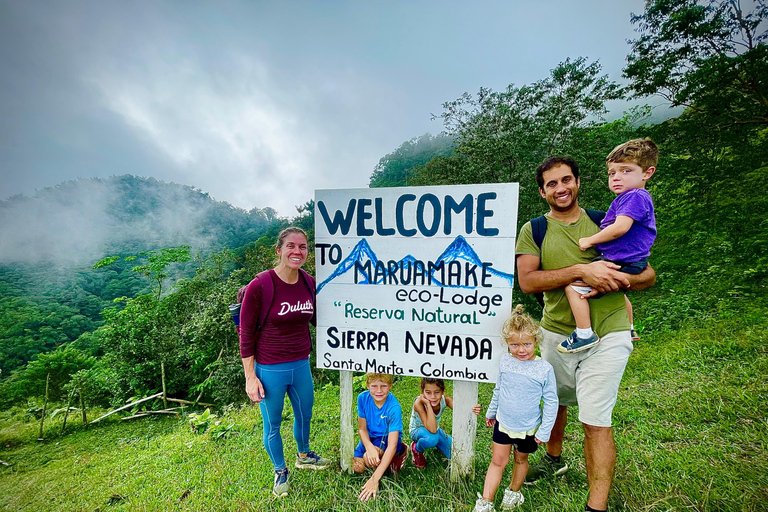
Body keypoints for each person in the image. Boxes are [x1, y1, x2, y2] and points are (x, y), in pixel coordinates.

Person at [515, 156, 656, 512]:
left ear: (578, 181)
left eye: (566, 180)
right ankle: (553, 459)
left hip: (608, 333)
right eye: (552, 184)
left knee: (595, 421)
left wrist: (614, 281)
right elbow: (528, 281)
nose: (560, 188)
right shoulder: (535, 230)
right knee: (556, 400)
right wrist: (580, 270)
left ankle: (597, 506)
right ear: (542, 191)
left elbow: (647, 275)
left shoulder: (604, 220)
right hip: (555, 333)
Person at [239, 227, 330, 498]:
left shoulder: (308, 283)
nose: (297, 252)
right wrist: (250, 377)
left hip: (301, 363)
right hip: (269, 368)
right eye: (291, 246)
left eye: (303, 247)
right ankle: (280, 470)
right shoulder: (261, 285)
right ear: (279, 250)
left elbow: (319, 320)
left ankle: (304, 455)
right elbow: (245, 334)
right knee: (273, 423)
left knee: (305, 415)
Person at [560, 138, 658, 353]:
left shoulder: (634, 196)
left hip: (620, 260)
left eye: (626, 171)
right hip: (630, 260)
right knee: (616, 291)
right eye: (612, 173)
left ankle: (584, 333)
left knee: (573, 288)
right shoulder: (633, 197)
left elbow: (620, 227)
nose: (616, 178)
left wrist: (590, 240)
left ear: (647, 173)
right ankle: (630, 328)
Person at [471, 305, 558, 512]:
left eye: (526, 344)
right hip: (503, 423)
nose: (521, 350)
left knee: (521, 460)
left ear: (535, 341)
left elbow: (552, 401)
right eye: (515, 345)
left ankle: (513, 493)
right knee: (497, 461)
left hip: (527, 428)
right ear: (507, 344)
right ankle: (486, 502)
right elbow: (499, 389)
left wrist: (545, 431)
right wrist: (492, 412)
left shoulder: (544, 369)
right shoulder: (505, 362)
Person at [354, 372, 409, 502]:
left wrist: (374, 479)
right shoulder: (362, 398)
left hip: (385, 438)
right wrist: (369, 447)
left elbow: (392, 445)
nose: (379, 391)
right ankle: (381, 460)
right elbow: (362, 429)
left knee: (370, 460)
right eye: (374, 386)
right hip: (369, 437)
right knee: (358, 467)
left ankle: (401, 453)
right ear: (367, 385)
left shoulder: (394, 407)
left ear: (390, 385)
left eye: (383, 386)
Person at [409, 377, 453, 468]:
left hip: (434, 430)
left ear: (442, 391)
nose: (433, 397)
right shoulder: (418, 403)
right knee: (432, 438)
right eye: (428, 392)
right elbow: (432, 429)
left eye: (437, 392)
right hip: (417, 431)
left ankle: (439, 444)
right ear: (423, 392)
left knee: (455, 452)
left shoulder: (446, 400)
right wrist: (428, 404)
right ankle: (416, 449)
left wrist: (474, 409)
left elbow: (462, 409)